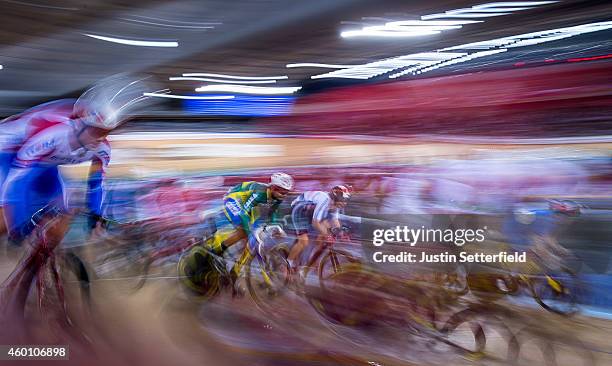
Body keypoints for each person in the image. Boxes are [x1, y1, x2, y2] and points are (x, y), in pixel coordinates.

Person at [0, 74, 155, 321]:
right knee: (9, 219)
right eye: (95, 130)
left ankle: (32, 276)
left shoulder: (103, 149)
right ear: (81, 123)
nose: (98, 138)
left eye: (105, 132)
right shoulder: (54, 135)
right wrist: (17, 225)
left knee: (63, 215)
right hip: (8, 152)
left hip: (47, 165)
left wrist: (96, 216)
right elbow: (17, 183)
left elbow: (95, 185)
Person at [181, 172, 294, 294]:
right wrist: (249, 231)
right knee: (245, 232)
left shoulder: (277, 196)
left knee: (252, 240)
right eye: (282, 191)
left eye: (286, 192)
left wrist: (275, 226)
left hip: (247, 205)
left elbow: (273, 214)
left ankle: (235, 270)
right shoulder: (260, 192)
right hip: (233, 200)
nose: (284, 195)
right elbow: (243, 214)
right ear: (273, 187)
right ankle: (217, 251)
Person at [286, 184, 352, 273]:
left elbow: (335, 220)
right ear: (335, 197)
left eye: (346, 200)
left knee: (323, 236)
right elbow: (315, 223)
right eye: (343, 200)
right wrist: (328, 235)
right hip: (299, 209)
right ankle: (288, 264)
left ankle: (309, 262)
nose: (344, 203)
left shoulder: (335, 204)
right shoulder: (324, 199)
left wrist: (341, 233)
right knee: (304, 241)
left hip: (311, 211)